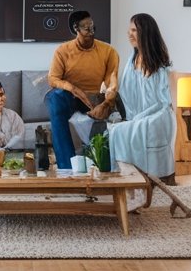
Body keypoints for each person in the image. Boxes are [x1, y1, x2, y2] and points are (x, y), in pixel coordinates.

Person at [45, 10, 119, 171]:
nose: (91, 31)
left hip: (95, 99)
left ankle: (105, 167)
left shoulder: (109, 52)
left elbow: (112, 83)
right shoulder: (63, 51)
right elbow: (52, 79)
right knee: (54, 98)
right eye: (86, 28)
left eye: (92, 26)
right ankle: (68, 168)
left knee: (114, 100)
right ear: (75, 29)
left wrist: (106, 103)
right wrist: (72, 88)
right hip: (70, 98)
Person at [109, 13, 177, 180]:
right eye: (129, 30)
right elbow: (126, 92)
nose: (129, 34)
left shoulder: (159, 65)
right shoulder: (133, 60)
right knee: (115, 129)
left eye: (134, 30)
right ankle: (129, 175)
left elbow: (163, 102)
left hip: (158, 115)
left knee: (123, 130)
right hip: (137, 114)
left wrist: (140, 118)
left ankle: (142, 176)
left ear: (145, 33)